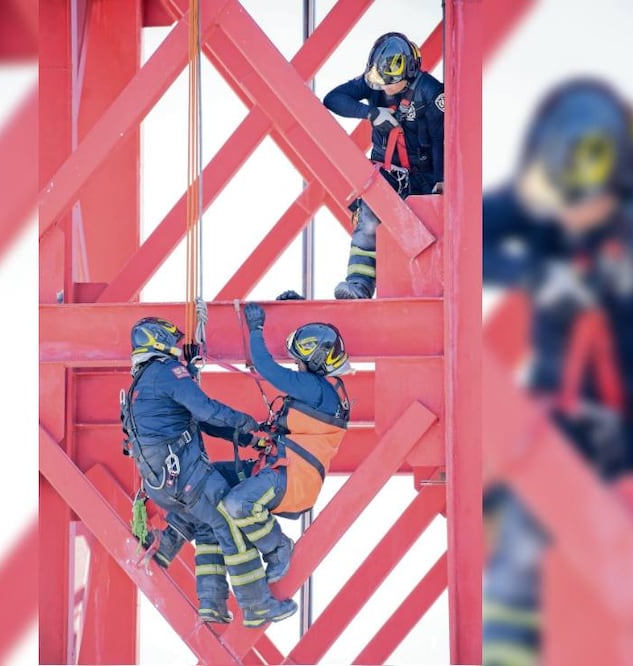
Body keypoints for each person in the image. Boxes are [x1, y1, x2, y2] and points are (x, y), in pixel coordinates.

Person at [481, 79, 633, 665]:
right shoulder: (557, 205)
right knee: (520, 564)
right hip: (569, 434)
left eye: (581, 206)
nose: (570, 220)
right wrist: (530, 274)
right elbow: (471, 233)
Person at [120, 317, 298, 627]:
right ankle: (256, 605)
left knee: (207, 525)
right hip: (188, 478)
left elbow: (196, 422)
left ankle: (211, 602)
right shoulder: (166, 372)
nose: (175, 347)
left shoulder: (140, 383)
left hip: (164, 486)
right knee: (230, 524)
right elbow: (205, 410)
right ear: (157, 341)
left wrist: (245, 437)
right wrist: (245, 422)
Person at [216, 303, 353, 583]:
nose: (297, 367)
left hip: (290, 478)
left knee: (238, 503)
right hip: (284, 470)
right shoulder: (327, 392)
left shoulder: (316, 388)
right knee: (209, 478)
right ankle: (174, 536)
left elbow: (268, 368)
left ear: (313, 361)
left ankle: (278, 548)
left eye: (299, 362)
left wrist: (255, 329)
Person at [323, 31, 445, 300]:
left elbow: (440, 138)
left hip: (423, 178)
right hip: (388, 172)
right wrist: (370, 112)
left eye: (392, 84)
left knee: (426, 234)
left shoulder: (432, 92)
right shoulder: (374, 84)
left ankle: (426, 293)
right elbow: (333, 99)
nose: (384, 89)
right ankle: (358, 284)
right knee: (368, 219)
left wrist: (441, 180)